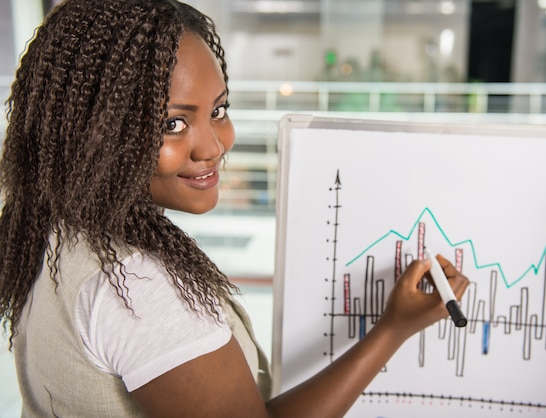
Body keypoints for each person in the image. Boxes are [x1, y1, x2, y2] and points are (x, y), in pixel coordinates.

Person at [0, 0, 470, 416]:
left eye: (219, 111)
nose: (213, 146)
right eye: (173, 122)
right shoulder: (139, 290)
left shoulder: (46, 226)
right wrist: (392, 330)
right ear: (93, 129)